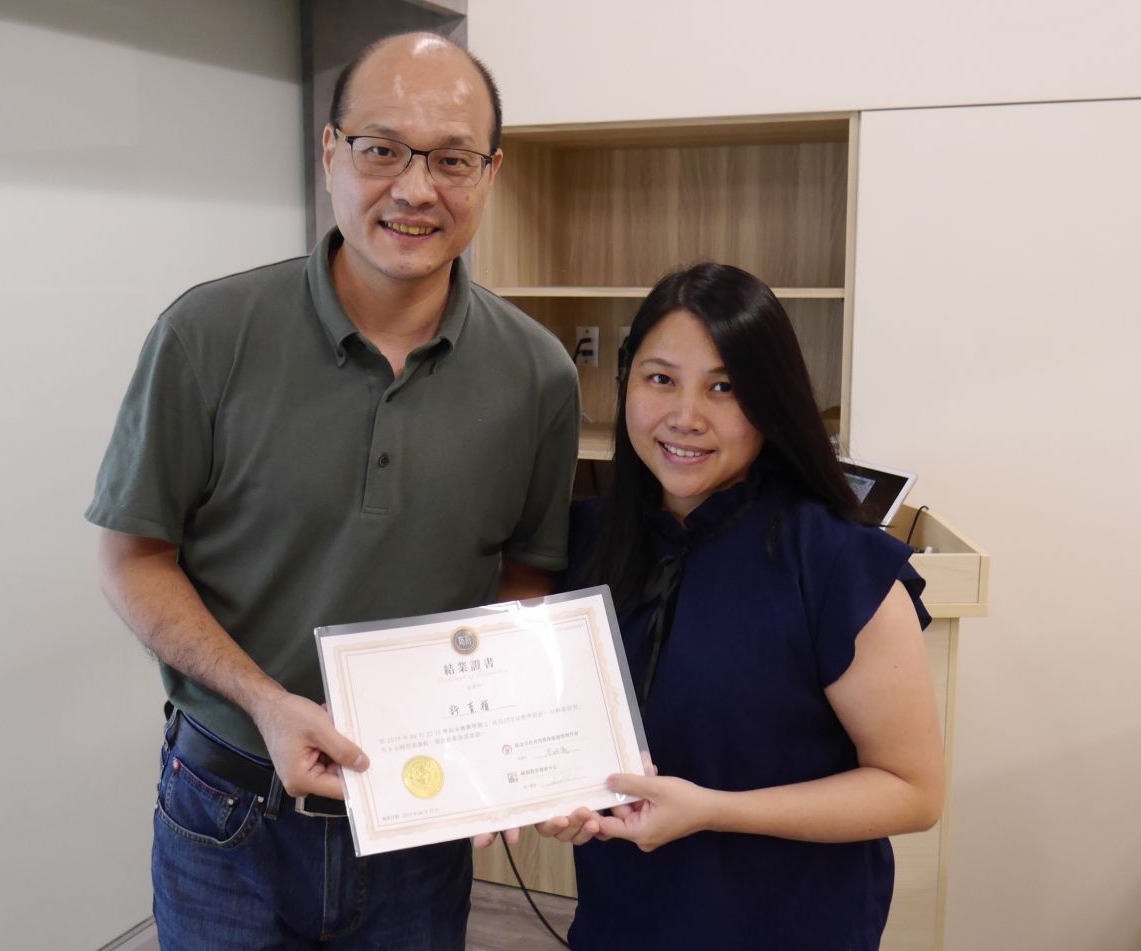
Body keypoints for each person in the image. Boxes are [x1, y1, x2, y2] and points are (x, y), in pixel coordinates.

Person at [86, 32, 579, 951]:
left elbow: (524, 576)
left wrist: (511, 740)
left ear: (491, 173)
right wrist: (265, 700)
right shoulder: (207, 334)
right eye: (381, 148)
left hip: (419, 820)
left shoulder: (540, 374)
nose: (415, 189)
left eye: (451, 159)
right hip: (228, 807)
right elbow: (132, 558)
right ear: (329, 154)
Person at [539, 263, 944, 950]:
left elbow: (912, 790)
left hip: (791, 926)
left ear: (771, 401)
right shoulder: (585, 541)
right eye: (660, 379)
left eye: (723, 388)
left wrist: (712, 811)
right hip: (623, 923)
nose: (684, 417)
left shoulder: (836, 559)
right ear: (626, 383)